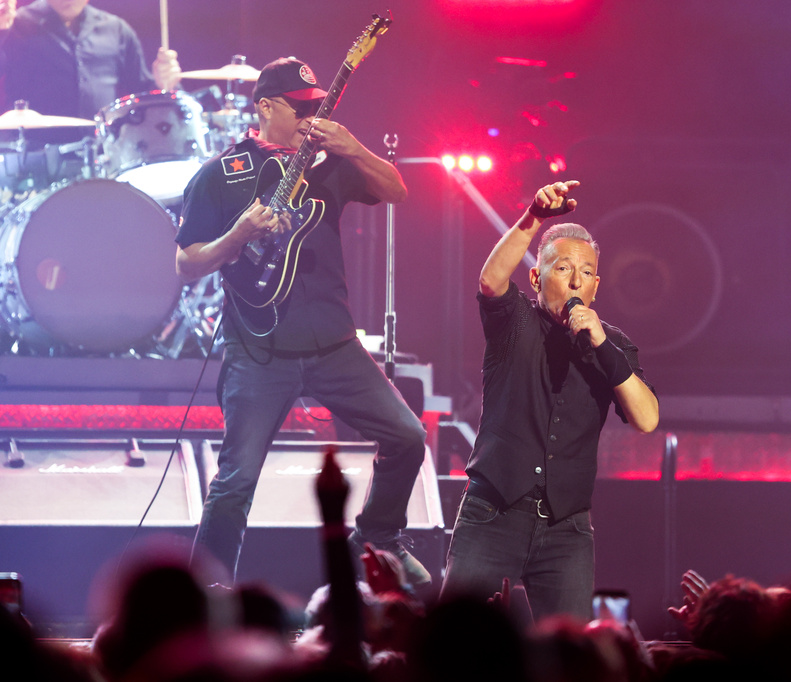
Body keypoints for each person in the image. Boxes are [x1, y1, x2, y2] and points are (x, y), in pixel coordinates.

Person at [175, 58, 430, 587]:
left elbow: (398, 192)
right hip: (259, 351)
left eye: (318, 106)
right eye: (301, 108)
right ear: (266, 107)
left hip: (335, 344)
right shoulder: (221, 174)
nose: (314, 117)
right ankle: (209, 594)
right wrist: (237, 236)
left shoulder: (329, 163)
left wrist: (353, 147)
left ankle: (379, 538)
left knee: (408, 436)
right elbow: (187, 263)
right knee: (235, 482)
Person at [439, 180, 659, 622]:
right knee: (455, 640)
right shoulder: (515, 321)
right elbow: (490, 280)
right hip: (493, 512)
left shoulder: (613, 344)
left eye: (586, 273)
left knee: (571, 649)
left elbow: (647, 419)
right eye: (563, 269)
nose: (576, 281)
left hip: (566, 528)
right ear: (537, 277)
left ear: (596, 285)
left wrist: (602, 346)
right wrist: (534, 216)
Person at [0, 0, 181, 120]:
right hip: (34, 155)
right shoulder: (15, 25)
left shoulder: (116, 29)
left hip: (102, 153)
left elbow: (143, 91)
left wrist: (164, 84)